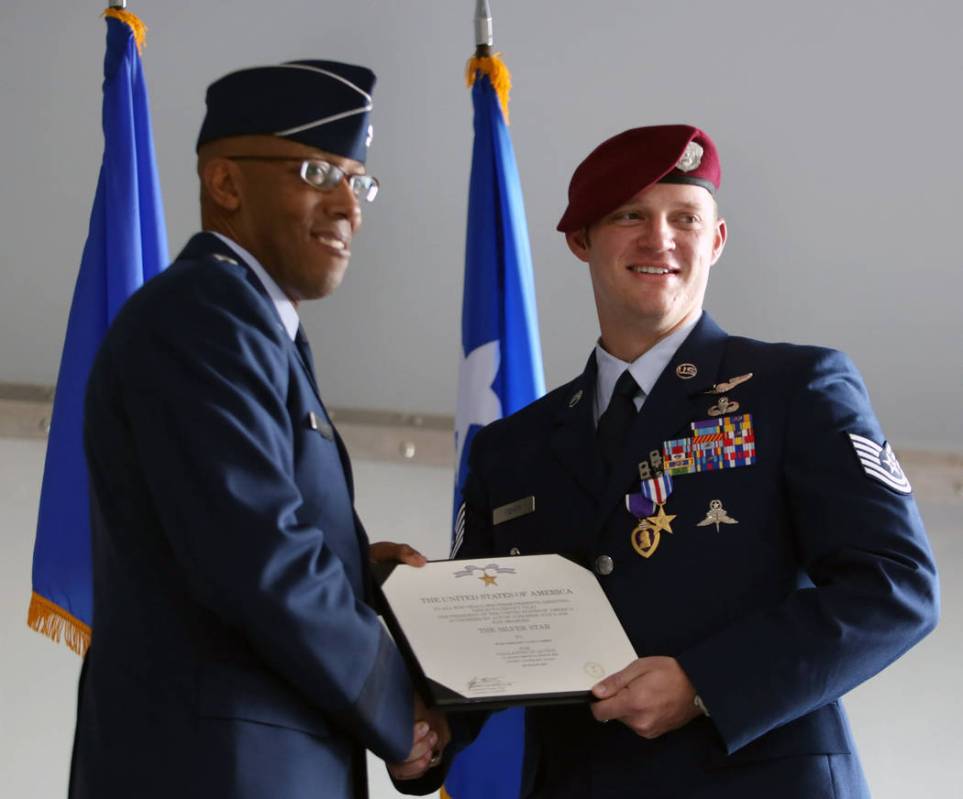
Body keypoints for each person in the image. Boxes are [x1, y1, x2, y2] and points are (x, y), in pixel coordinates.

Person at [448, 125, 939, 798]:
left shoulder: (792, 387)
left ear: (715, 241)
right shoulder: (512, 445)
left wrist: (705, 683)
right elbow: (475, 636)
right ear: (579, 239)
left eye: (685, 218)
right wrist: (425, 734)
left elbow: (894, 584)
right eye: (630, 215)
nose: (660, 240)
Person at [69, 60, 448, 798]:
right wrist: (393, 707)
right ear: (227, 184)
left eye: (357, 181)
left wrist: (365, 575)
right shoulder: (204, 313)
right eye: (317, 171)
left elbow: (229, 535)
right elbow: (255, 552)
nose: (349, 206)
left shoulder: (257, 330)